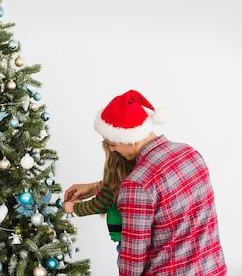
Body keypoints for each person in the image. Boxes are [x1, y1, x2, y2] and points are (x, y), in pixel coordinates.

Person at [89, 89, 226, 276]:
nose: (112, 150)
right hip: (214, 270)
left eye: (112, 143)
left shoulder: (137, 185)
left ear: (128, 139)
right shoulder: (190, 154)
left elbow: (132, 264)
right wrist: (96, 187)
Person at [63, 141, 135, 249]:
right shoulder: (134, 168)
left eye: (111, 145)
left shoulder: (116, 170)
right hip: (128, 235)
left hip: (124, 237)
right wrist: (96, 187)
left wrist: (74, 207)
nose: (111, 150)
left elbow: (101, 202)